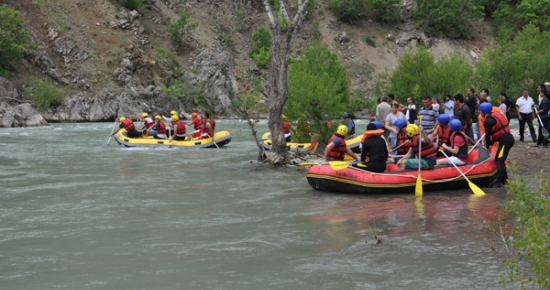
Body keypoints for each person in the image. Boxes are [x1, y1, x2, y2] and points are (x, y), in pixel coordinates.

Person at [481, 102, 514, 188]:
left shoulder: (488, 121)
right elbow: (496, 134)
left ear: (483, 111)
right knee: (499, 159)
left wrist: (487, 146)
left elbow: (488, 136)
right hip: (507, 139)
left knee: (499, 160)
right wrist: (491, 144)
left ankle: (497, 183)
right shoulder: (496, 115)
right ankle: (505, 180)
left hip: (506, 141)